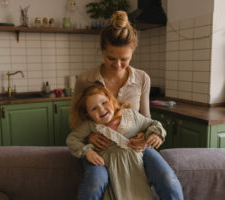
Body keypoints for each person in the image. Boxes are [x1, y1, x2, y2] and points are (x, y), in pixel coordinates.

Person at [71, 10, 183, 200]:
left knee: (168, 180)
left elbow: (147, 119)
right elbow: (74, 120)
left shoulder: (142, 78)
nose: (118, 65)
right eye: (111, 58)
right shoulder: (85, 79)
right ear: (102, 51)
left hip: (135, 147)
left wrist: (147, 137)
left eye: (125, 59)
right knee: (95, 182)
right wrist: (89, 136)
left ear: (133, 52)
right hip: (101, 149)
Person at [67, 84, 166, 200]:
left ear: (111, 99)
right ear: (87, 114)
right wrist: (87, 151)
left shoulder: (130, 115)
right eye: (94, 108)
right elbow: (72, 139)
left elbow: (152, 124)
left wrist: (155, 134)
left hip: (135, 169)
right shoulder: (91, 125)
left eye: (104, 103)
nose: (101, 110)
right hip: (112, 171)